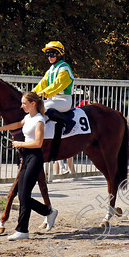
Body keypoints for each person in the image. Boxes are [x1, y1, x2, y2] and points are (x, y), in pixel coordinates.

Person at [0, 91, 58, 240]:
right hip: (26, 157)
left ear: (33, 104)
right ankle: (48, 212)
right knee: (22, 195)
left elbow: (38, 143)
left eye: (24, 103)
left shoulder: (39, 120)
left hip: (35, 158)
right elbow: (18, 124)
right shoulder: (28, 117)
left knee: (24, 195)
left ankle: (22, 231)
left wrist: (20, 143)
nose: (22, 106)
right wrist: (1, 129)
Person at [34, 41, 75, 173]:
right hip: (52, 99)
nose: (49, 57)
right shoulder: (50, 70)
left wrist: (43, 93)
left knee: (44, 107)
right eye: (47, 55)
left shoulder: (64, 68)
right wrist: (31, 96)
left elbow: (58, 85)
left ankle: (69, 122)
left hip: (64, 100)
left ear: (59, 54)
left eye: (52, 54)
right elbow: (41, 84)